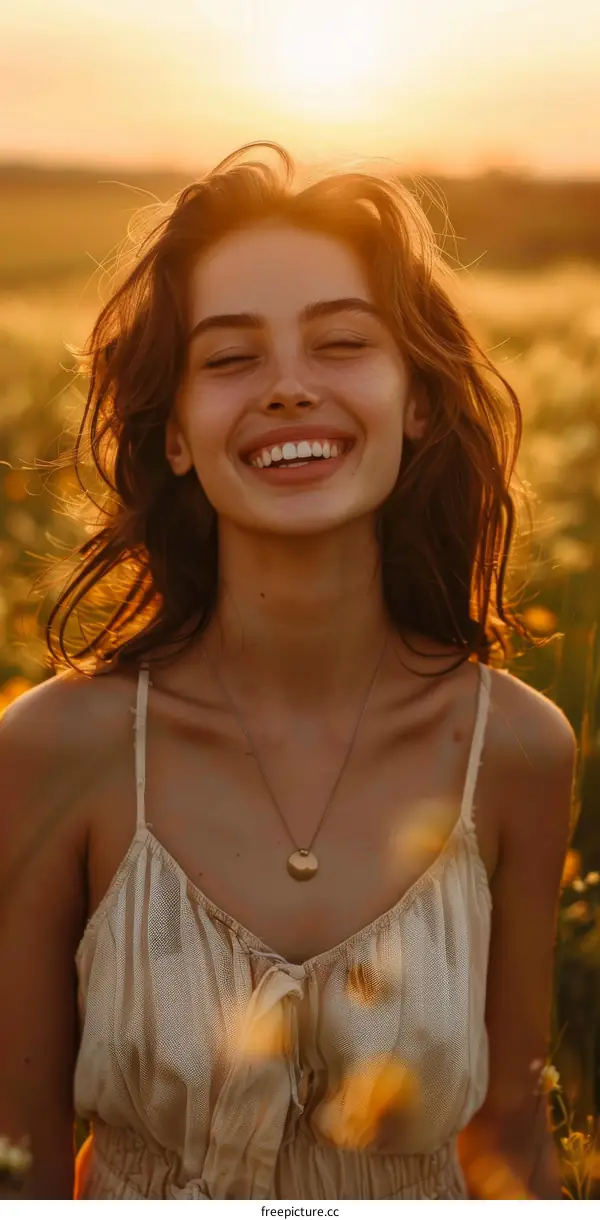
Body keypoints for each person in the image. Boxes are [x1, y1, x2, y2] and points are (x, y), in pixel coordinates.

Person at [0, 142, 576, 1201]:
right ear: (174, 432)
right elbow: (16, 1162)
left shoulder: (521, 750)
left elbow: (510, 1142)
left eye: (342, 343)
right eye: (229, 360)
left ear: (414, 400)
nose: (289, 388)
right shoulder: (54, 748)